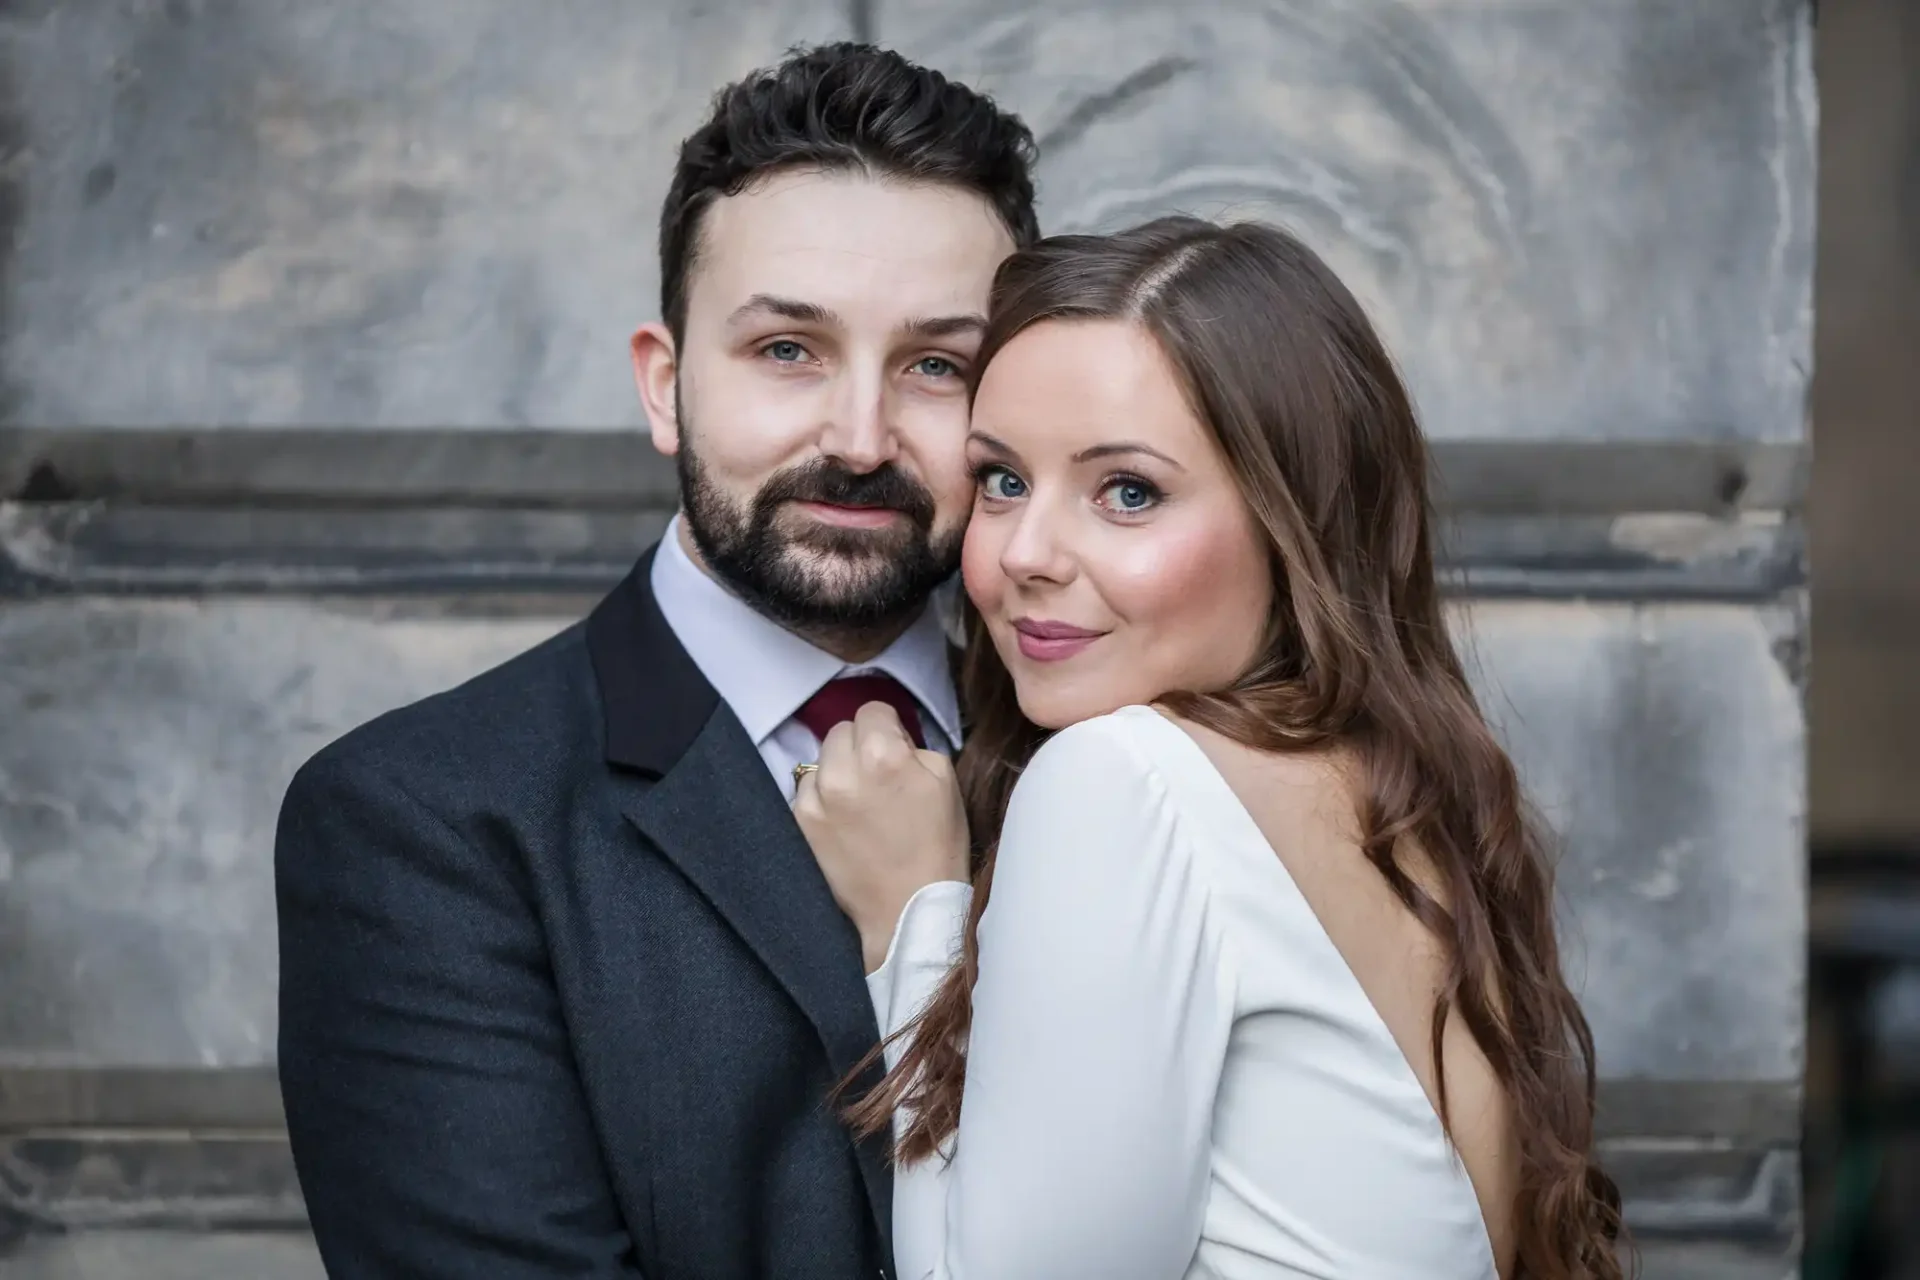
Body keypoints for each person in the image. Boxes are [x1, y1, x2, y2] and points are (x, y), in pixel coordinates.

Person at [273, 43, 1037, 1279]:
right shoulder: (420, 823)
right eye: (787, 349)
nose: (857, 437)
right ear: (666, 386)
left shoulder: (1123, 759)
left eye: (937, 365)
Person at [795, 217, 1628, 1279]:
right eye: (1001, 479)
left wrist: (912, 912)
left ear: (1296, 526)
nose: (1025, 555)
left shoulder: (1124, 781)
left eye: (1128, 492)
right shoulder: (1387, 790)